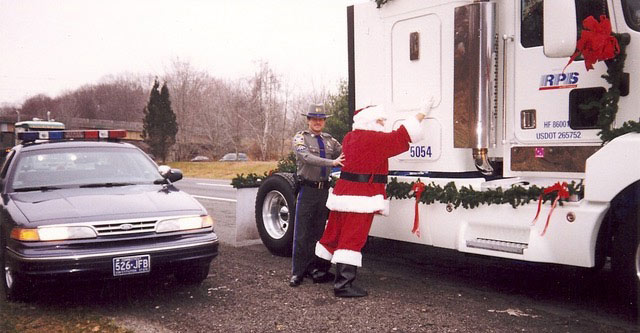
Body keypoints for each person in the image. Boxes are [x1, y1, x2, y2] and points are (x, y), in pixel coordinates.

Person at [314, 102, 431, 297]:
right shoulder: (373, 139)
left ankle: (318, 271)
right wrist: (422, 113)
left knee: (333, 233)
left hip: (342, 193)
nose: (384, 123)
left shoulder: (351, 137)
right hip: (361, 196)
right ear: (369, 121)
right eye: (380, 120)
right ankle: (343, 285)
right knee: (353, 238)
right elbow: (402, 136)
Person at [289, 103, 345, 287]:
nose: (317, 122)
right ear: (308, 121)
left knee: (318, 233)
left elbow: (345, 151)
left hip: (323, 192)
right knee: (302, 233)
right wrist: (333, 162)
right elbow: (306, 158)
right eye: (314, 119)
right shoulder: (300, 138)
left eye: (321, 119)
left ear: (324, 122)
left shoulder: (330, 141)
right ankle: (297, 272)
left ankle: (314, 269)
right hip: (307, 190)